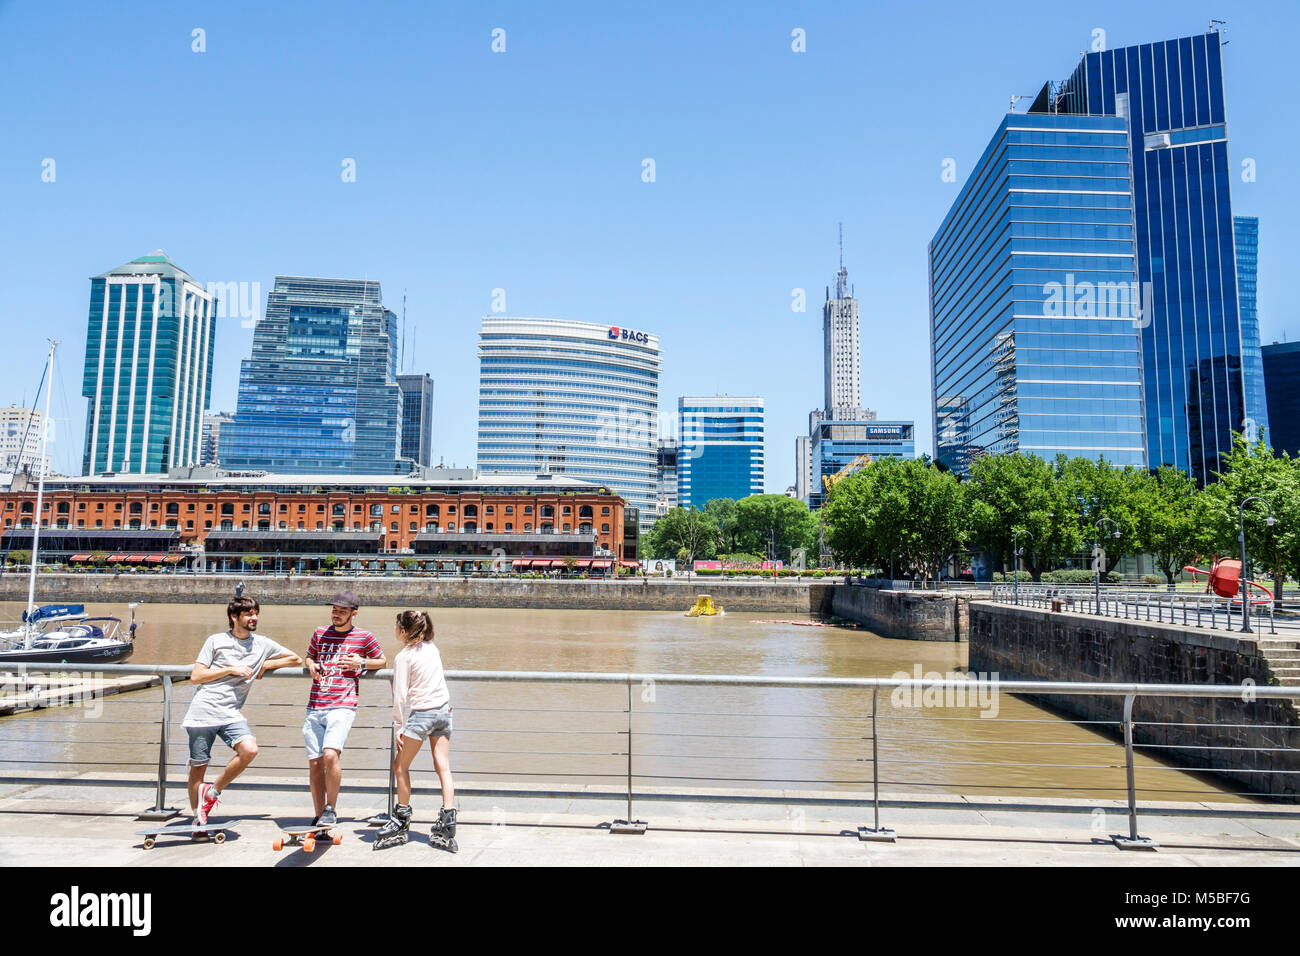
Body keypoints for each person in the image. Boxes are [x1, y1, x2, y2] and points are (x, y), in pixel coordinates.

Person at [183, 595, 302, 825]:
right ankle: (198, 820)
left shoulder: (262, 644)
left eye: (256, 613)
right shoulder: (216, 641)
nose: (254, 617)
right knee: (198, 768)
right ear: (234, 617)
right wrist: (231, 669)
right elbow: (196, 676)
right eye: (248, 614)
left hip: (230, 713)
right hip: (203, 711)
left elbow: (295, 659)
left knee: (249, 750)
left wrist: (266, 664)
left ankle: (213, 791)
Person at [303, 590, 386, 826]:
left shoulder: (364, 637)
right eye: (334, 610)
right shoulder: (319, 633)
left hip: (343, 704)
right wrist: (311, 664)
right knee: (316, 762)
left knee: (330, 754)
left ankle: (331, 808)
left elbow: (382, 661)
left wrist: (361, 662)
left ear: (353, 614)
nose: (336, 614)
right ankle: (320, 818)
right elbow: (308, 656)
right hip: (315, 704)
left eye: (342, 611)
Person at [375, 610, 455, 849]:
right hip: (444, 711)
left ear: (403, 631)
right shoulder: (432, 647)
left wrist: (398, 726)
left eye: (396, 626)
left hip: (422, 714)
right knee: (443, 766)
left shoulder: (404, 657)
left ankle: (401, 818)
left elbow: (400, 697)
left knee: (400, 766)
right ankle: (448, 819)